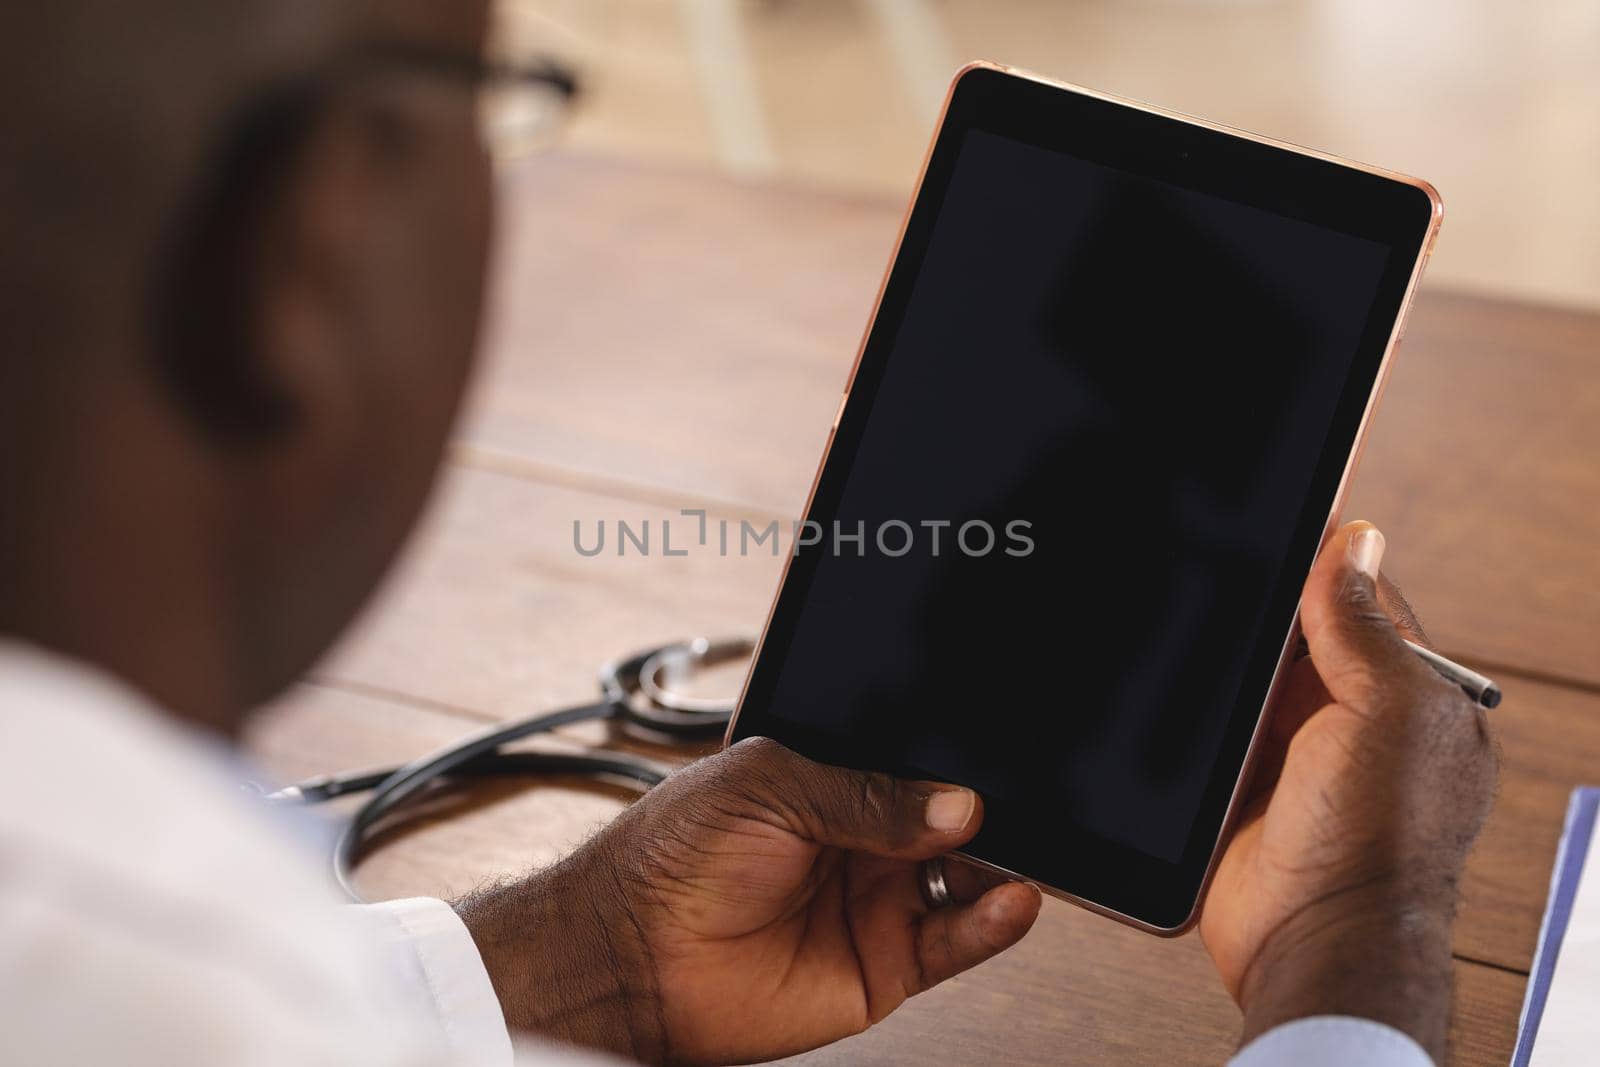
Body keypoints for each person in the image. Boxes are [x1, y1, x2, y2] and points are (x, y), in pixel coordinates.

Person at [0, 2, 1497, 1065]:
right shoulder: (172, 973)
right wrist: (1351, 943)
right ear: (307, 247)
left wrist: (587, 969)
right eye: (494, 109)